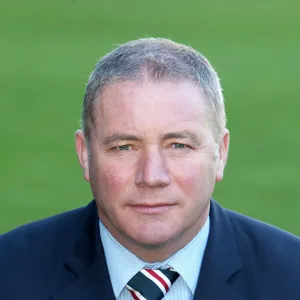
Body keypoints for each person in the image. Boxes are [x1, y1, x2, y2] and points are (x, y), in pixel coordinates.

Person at [0, 38, 299, 300]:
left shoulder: (292, 277)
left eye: (178, 145)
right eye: (124, 147)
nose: (152, 177)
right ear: (86, 156)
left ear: (220, 153)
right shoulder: (8, 274)